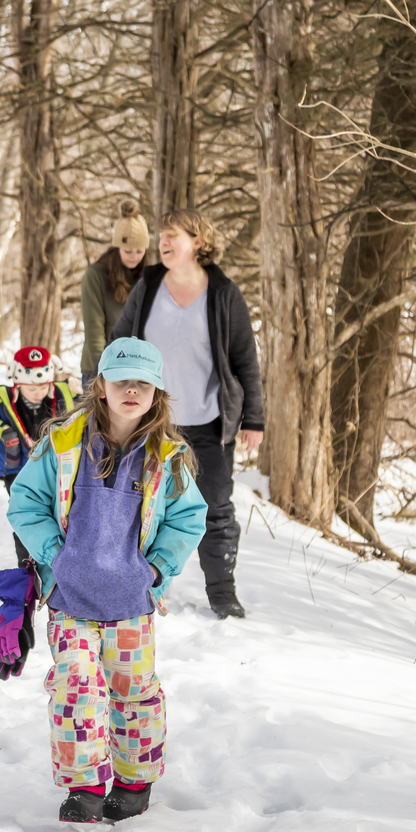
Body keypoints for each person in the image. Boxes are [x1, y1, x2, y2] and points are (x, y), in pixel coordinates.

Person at [4, 338, 206, 823]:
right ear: (101, 387)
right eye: (122, 381)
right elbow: (24, 503)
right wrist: (58, 559)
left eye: (143, 382)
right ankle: (86, 787)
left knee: (133, 690)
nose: (131, 390)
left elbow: (188, 519)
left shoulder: (168, 456)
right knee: (76, 686)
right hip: (70, 598)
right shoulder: (62, 441)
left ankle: (134, 782)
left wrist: (154, 572)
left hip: (130, 601)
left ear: (157, 391)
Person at [109, 208, 263, 620]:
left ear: (197, 241)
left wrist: (254, 419)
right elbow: (119, 340)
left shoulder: (224, 293)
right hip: (150, 421)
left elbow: (245, 359)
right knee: (140, 505)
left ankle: (222, 594)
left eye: (172, 235)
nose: (162, 242)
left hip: (208, 423)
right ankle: (140, 585)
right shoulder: (149, 285)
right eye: (161, 235)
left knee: (215, 509)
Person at [0, 344, 75, 563]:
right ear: (17, 383)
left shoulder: (64, 393)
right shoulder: (1, 397)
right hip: (17, 469)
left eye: (43, 387)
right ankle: (26, 563)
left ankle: (58, 561)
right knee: (26, 514)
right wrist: (3, 430)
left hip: (57, 467)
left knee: (59, 514)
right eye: (31, 388)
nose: (38, 393)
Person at [79, 198, 151, 385]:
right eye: (128, 251)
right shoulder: (96, 275)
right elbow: (94, 332)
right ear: (117, 246)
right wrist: (102, 374)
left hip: (139, 369)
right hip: (100, 369)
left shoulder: (151, 276)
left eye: (139, 250)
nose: (134, 256)